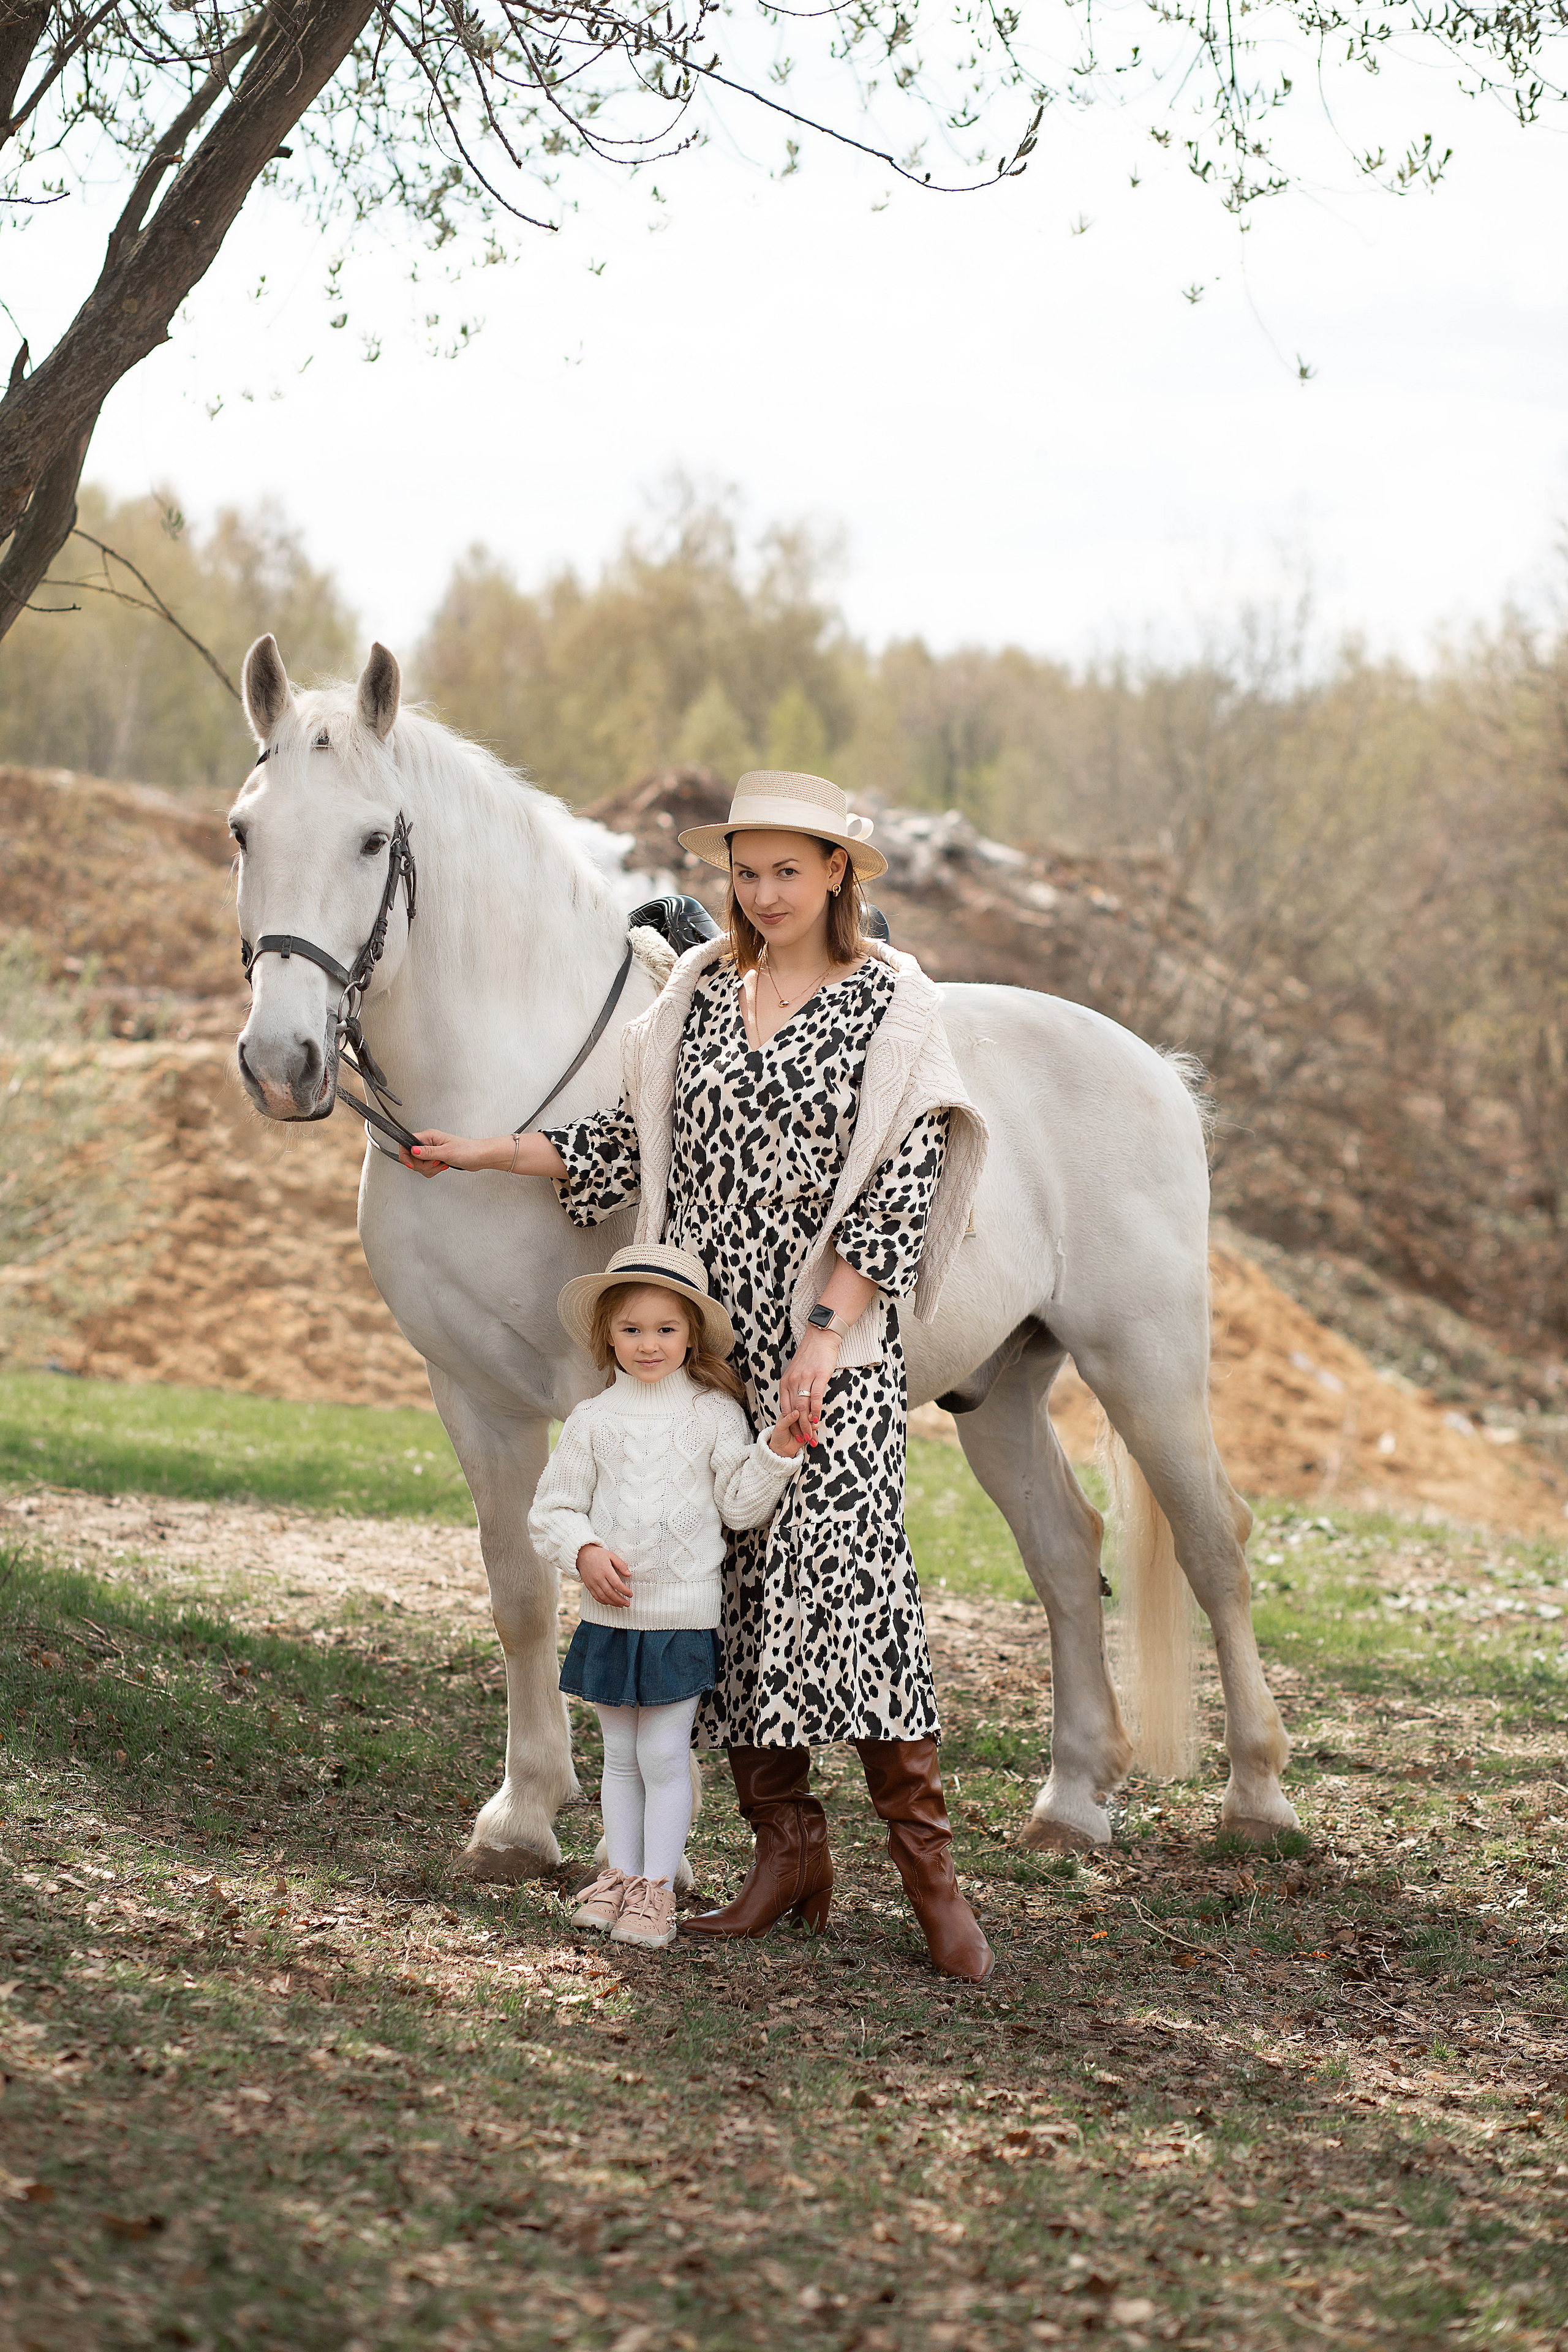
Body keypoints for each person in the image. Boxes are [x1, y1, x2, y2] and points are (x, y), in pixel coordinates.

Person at [403, 769, 993, 1983]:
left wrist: (826, 1337)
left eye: (787, 870)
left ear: (837, 874)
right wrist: (489, 1152)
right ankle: (786, 1851)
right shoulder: (694, 994)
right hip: (710, 1350)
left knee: (855, 1595)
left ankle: (931, 1878)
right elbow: (625, 1144)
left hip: (827, 1352)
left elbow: (901, 1182)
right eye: (745, 871)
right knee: (709, 1599)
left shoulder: (890, 1003)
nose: (763, 893)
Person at [527, 1243, 803, 1950]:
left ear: (690, 1337)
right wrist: (584, 1550)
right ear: (606, 1337)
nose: (647, 1345)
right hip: (608, 1617)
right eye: (631, 1330)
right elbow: (553, 1510)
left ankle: (655, 1891)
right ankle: (618, 1875)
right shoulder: (592, 1420)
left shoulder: (713, 1414)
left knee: (662, 1754)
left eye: (665, 1330)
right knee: (616, 1757)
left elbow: (739, 1508)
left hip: (680, 1616)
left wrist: (775, 1450)